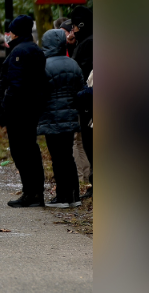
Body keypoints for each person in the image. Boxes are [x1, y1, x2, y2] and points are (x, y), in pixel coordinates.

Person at [0, 15, 49, 207]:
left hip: (20, 109)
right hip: (32, 107)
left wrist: (6, 107)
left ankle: (31, 193)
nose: (9, 35)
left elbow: (16, 83)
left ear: (17, 32)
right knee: (30, 149)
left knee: (21, 151)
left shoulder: (20, 52)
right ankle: (35, 191)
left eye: (11, 32)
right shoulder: (34, 49)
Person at [38, 28, 85, 207]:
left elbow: (40, 92)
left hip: (51, 116)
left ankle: (62, 196)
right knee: (68, 156)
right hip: (70, 115)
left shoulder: (44, 65)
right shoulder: (73, 64)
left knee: (57, 157)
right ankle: (75, 196)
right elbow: (80, 90)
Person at [66, 6, 93, 172]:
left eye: (74, 27)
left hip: (88, 100)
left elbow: (80, 70)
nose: (73, 31)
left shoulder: (89, 43)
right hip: (85, 99)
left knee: (89, 143)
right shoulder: (85, 42)